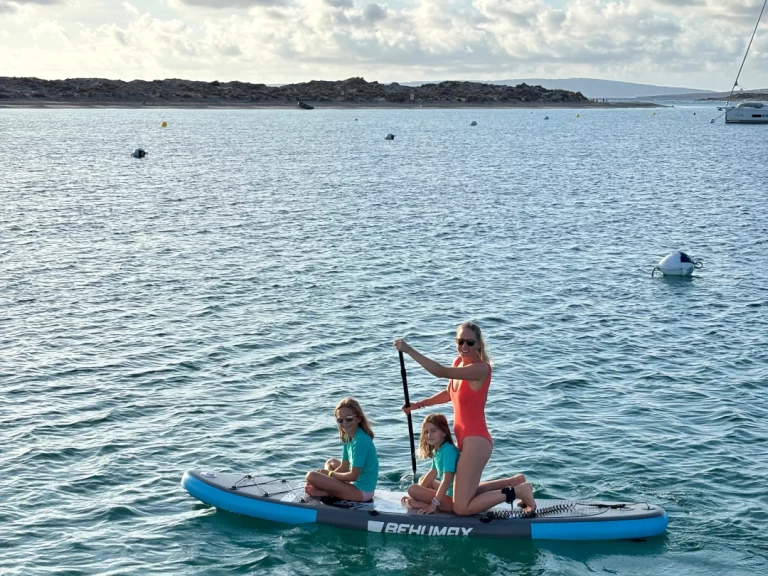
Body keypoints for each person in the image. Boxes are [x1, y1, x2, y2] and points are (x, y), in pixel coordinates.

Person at [394, 321, 536, 515]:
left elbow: (440, 372)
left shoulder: (480, 369)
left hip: (476, 440)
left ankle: (519, 491)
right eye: (460, 342)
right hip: (465, 439)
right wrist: (419, 404)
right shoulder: (458, 363)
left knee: (461, 507)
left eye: (470, 342)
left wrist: (409, 349)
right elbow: (449, 392)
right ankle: (514, 482)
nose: (464, 347)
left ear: (479, 345)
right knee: (465, 494)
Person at [305, 398, 378, 502]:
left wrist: (329, 475)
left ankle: (328, 492)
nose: (344, 423)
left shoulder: (360, 441)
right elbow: (344, 466)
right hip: (353, 485)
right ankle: (329, 489)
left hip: (362, 492)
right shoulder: (349, 437)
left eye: (349, 419)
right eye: (340, 420)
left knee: (310, 476)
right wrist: (328, 479)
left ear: (358, 418)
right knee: (331, 462)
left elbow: (353, 476)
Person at [401, 414, 459, 513]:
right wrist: (416, 496)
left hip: (451, 501)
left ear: (444, 432)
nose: (429, 435)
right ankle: (417, 501)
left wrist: (433, 504)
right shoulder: (439, 449)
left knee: (412, 489)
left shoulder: (448, 450)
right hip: (447, 495)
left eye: (433, 431)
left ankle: (426, 505)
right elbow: (432, 472)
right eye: (426, 432)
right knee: (423, 479)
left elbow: (447, 480)